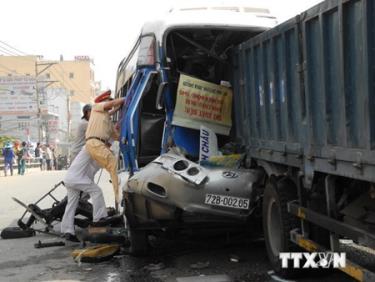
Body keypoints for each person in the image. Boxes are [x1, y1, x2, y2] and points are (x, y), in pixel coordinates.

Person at [85, 90, 124, 209]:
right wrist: (124, 99)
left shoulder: (106, 119)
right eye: (109, 100)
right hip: (95, 143)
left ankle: (118, 196)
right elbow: (108, 107)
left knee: (114, 168)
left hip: (98, 144)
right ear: (104, 101)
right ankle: (119, 198)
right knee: (113, 165)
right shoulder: (97, 107)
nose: (111, 102)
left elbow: (117, 136)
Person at [60, 146, 108, 242]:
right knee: (97, 191)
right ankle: (99, 219)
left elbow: (90, 177)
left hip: (69, 179)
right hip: (76, 178)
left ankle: (68, 231)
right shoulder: (89, 148)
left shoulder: (92, 159)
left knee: (71, 204)